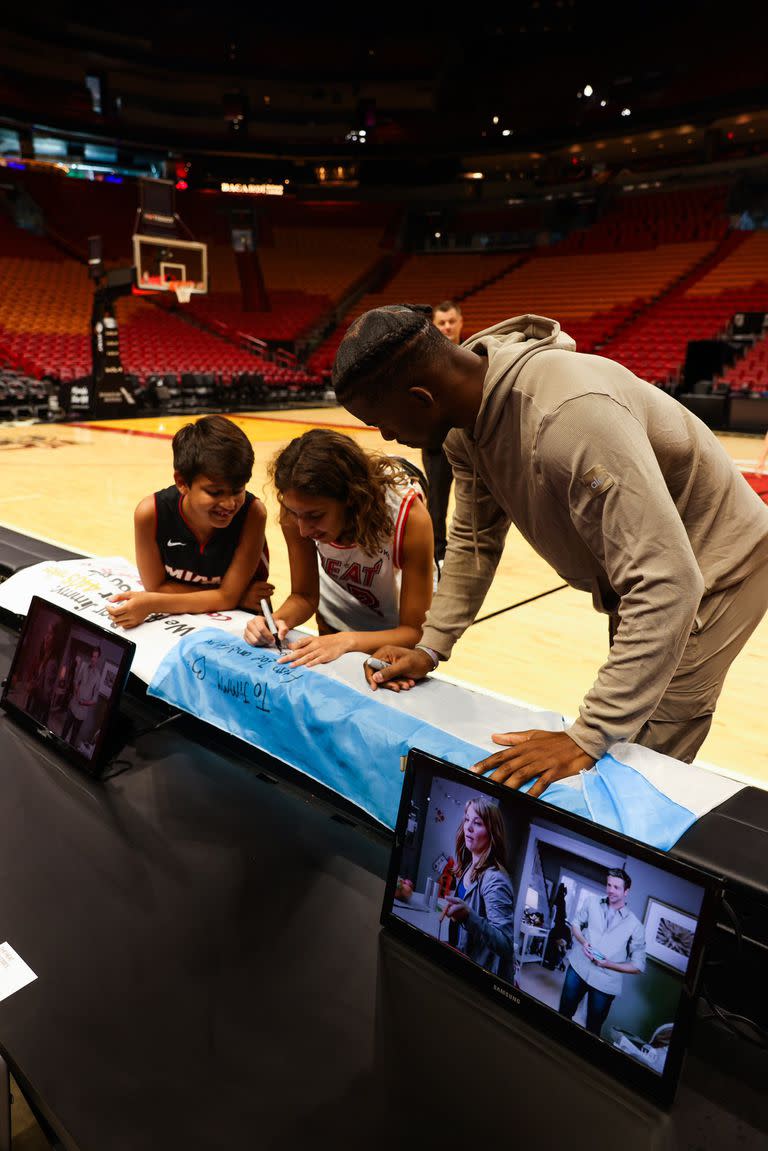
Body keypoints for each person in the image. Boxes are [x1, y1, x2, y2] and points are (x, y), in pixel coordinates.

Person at [332, 305, 768, 795]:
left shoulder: (569, 418)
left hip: (713, 564)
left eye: (382, 422)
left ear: (420, 398)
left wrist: (588, 734)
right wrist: (430, 646)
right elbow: (474, 543)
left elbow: (669, 583)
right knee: (625, 722)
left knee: (639, 757)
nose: (388, 437)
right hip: (645, 568)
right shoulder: (463, 430)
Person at [243, 428, 434, 666]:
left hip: (395, 630)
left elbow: (414, 632)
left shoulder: (409, 516)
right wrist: (275, 621)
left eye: (315, 515)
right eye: (295, 513)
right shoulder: (298, 509)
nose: (303, 530)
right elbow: (303, 596)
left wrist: (347, 641)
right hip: (336, 614)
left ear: (351, 497)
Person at [107, 415, 271, 629]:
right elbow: (156, 587)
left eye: (238, 490)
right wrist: (233, 597)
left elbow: (158, 594)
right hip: (185, 623)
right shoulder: (150, 513)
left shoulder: (253, 513)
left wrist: (154, 602)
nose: (230, 504)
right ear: (182, 483)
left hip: (244, 626)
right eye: (215, 492)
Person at [557, 869, 645, 1037]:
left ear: (626, 891)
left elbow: (638, 965)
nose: (611, 890)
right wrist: (583, 942)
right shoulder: (591, 902)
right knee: (563, 1013)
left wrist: (608, 964)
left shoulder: (635, 925)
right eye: (609, 885)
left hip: (606, 983)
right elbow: (575, 924)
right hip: (578, 967)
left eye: (617, 887)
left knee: (593, 1028)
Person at [439, 796, 517, 981]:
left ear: (492, 833)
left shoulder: (495, 879)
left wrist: (468, 916)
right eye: (467, 820)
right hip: (462, 956)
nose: (469, 828)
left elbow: (506, 944)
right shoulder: (469, 865)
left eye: (478, 823)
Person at [423, 301, 463, 566]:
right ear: (434, 326)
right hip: (437, 444)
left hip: (470, 444)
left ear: (460, 322)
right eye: (442, 323)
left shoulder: (473, 355)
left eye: (451, 321)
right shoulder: (425, 360)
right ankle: (437, 555)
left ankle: (470, 551)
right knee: (436, 504)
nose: (447, 326)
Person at [61, 645, 102, 747]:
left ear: (98, 659)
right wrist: (76, 690)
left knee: (73, 737)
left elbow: (95, 699)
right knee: (64, 731)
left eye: (96, 657)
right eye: (92, 656)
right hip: (74, 704)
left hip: (83, 711)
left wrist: (84, 702)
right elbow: (75, 681)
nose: (93, 659)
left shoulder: (98, 676)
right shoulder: (83, 665)